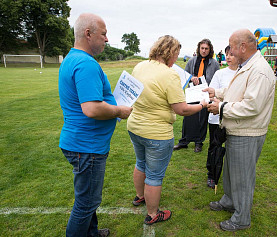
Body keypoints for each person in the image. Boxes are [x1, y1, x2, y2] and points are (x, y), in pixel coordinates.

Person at [58, 13, 132, 237]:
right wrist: (120, 110)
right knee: (86, 203)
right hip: (86, 147)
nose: (107, 39)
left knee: (88, 199)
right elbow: (91, 108)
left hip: (83, 143)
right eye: (104, 33)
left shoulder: (73, 59)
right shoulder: (85, 63)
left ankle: (92, 233)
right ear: (88, 34)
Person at [127, 35, 209, 225]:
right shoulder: (170, 74)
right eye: (177, 54)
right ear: (170, 52)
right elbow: (182, 109)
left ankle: (140, 196)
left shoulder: (140, 66)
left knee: (141, 164)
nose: (176, 59)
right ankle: (153, 213)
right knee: (154, 175)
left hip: (135, 126)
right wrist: (202, 105)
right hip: (157, 133)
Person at [204, 29, 275, 231]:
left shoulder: (259, 70)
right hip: (237, 130)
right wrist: (216, 92)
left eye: (232, 46)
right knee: (230, 172)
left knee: (243, 177)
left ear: (243, 47)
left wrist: (221, 107)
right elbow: (236, 91)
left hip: (248, 133)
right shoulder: (247, 66)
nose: (230, 51)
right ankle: (229, 200)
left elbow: (252, 106)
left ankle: (242, 218)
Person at [173, 39, 220, 153]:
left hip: (205, 93)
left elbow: (216, 79)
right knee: (188, 117)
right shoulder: (192, 61)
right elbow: (185, 75)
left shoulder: (214, 63)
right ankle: (184, 141)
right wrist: (191, 78)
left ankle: (199, 142)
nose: (204, 51)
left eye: (206, 49)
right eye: (202, 48)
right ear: (199, 48)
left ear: (210, 50)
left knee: (202, 118)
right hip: (192, 92)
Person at [206, 45, 238, 189]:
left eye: (232, 54)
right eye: (227, 54)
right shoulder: (220, 74)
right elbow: (212, 94)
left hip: (233, 117)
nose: (229, 57)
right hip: (216, 118)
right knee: (215, 146)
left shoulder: (243, 74)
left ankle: (231, 176)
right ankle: (212, 175)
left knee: (233, 149)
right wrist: (218, 106)